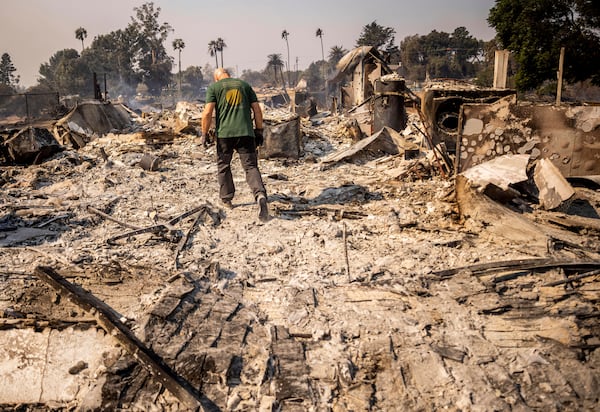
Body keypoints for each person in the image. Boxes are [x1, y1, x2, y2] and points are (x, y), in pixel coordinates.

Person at [201, 68, 268, 221]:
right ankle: (260, 194)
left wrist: (204, 133)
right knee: (251, 166)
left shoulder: (215, 88)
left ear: (217, 78)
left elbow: (207, 113)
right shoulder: (244, 85)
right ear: (228, 75)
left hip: (225, 135)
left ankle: (227, 199)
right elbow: (257, 110)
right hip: (246, 133)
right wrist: (259, 131)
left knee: (224, 165)